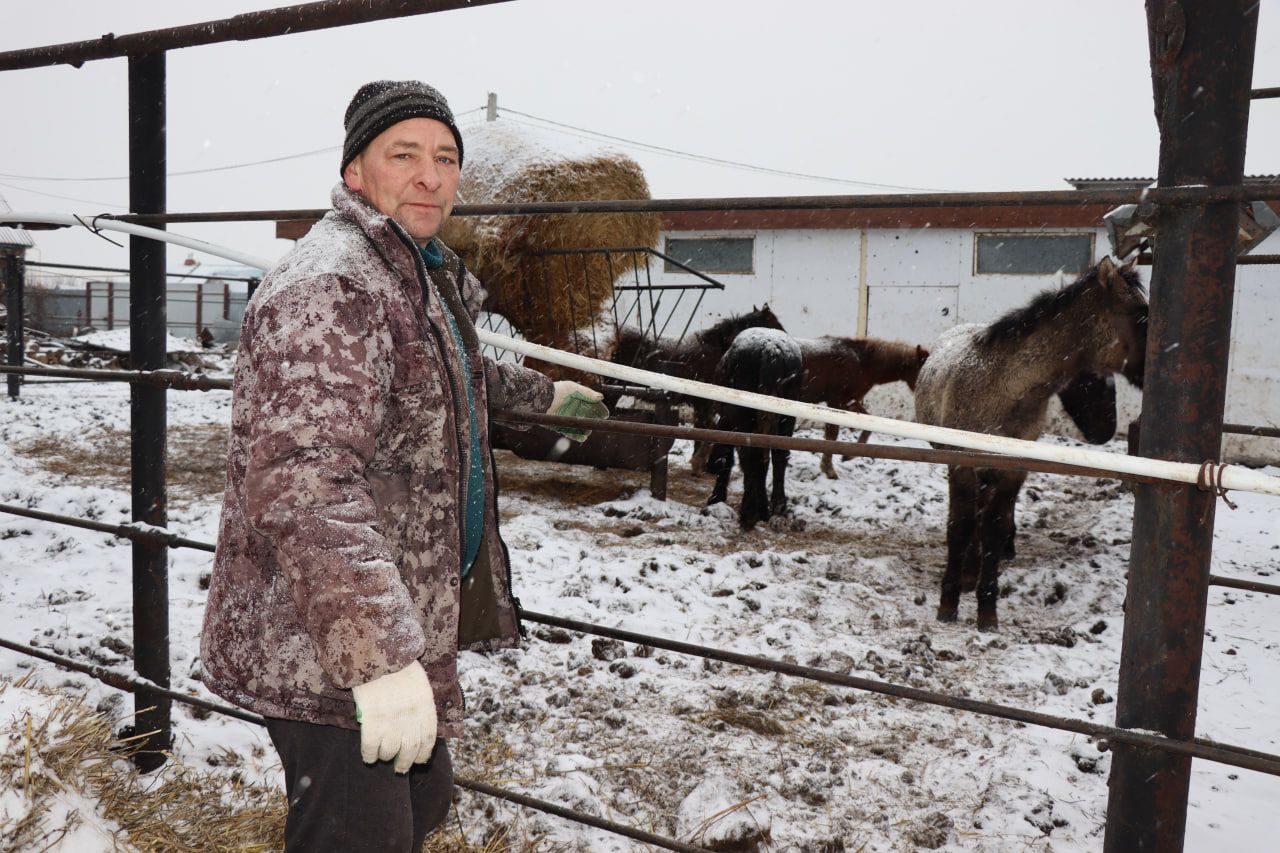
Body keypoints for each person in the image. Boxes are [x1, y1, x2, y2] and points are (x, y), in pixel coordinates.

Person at [199, 80, 607, 852]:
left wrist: (548, 395)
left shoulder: (408, 270)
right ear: (356, 171)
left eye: (446, 157)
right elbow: (304, 480)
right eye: (405, 154)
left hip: (387, 615)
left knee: (421, 806)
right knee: (363, 834)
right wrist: (379, 661)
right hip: (326, 644)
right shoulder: (335, 283)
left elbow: (444, 375)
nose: (431, 175)